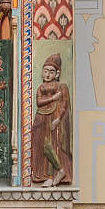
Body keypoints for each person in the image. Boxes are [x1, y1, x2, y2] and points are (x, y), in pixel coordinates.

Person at [31, 53, 72, 187]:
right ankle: (46, 175)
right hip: (41, 118)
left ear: (57, 73)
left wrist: (58, 119)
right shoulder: (41, 87)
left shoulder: (62, 87)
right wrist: (53, 98)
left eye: (51, 72)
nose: (48, 75)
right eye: (46, 71)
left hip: (54, 118)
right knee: (40, 146)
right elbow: (39, 102)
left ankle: (59, 172)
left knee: (53, 145)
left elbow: (65, 105)